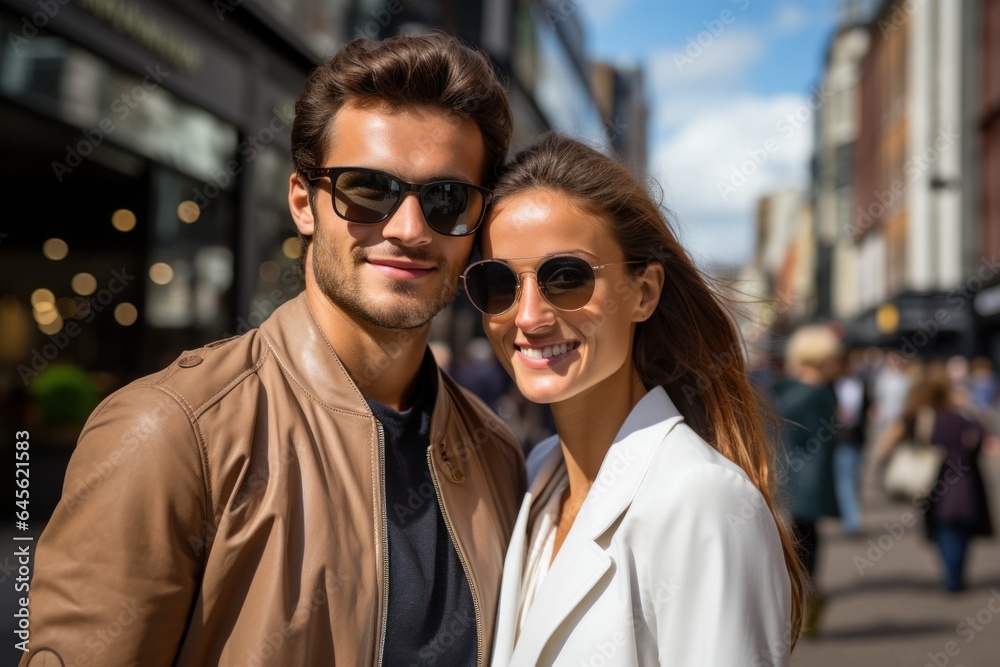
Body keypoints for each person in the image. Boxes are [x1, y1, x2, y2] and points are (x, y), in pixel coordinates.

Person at [20, 33, 525, 666]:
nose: (408, 229)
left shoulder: (497, 456)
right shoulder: (173, 431)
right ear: (303, 204)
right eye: (368, 190)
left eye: (447, 200)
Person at [466, 133, 803, 666]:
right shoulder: (536, 475)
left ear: (643, 293)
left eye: (567, 278)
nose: (527, 317)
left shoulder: (701, 499)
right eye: (498, 284)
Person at [876, 365, 994, 592]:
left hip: (933, 484)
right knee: (962, 532)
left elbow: (890, 442)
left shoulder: (920, 417)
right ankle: (955, 575)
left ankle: (951, 576)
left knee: (945, 531)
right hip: (964, 482)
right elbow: (981, 439)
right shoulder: (962, 416)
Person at [773, 325, 841, 636]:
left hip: (783, 473)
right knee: (807, 543)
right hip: (808, 479)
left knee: (795, 543)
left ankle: (800, 605)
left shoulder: (784, 388)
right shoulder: (822, 394)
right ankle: (805, 605)